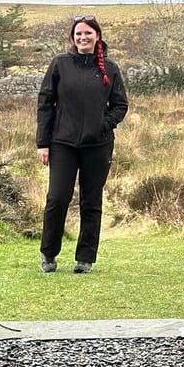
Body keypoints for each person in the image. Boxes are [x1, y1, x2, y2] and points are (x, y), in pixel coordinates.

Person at [36, 15, 129, 274]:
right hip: (62, 143)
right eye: (78, 34)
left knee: (91, 201)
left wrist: (103, 124)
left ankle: (85, 258)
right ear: (73, 38)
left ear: (97, 36)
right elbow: (45, 103)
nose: (83, 37)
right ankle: (48, 254)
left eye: (88, 33)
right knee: (57, 198)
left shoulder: (110, 68)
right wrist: (43, 143)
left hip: (97, 145)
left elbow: (120, 105)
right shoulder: (60, 64)